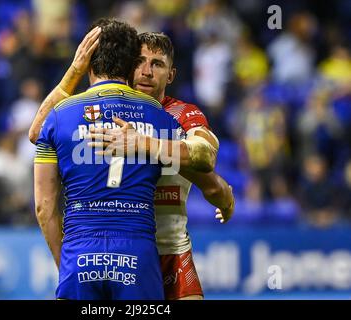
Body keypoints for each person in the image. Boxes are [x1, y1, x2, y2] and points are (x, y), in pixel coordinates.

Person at [30, 28, 234, 299]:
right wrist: (75, 70)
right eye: (139, 62)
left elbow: (205, 156)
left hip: (171, 251)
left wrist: (144, 143)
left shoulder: (180, 114)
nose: (146, 71)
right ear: (126, 64)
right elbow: (37, 133)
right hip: (135, 249)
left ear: (171, 75)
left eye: (157, 64)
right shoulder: (114, 109)